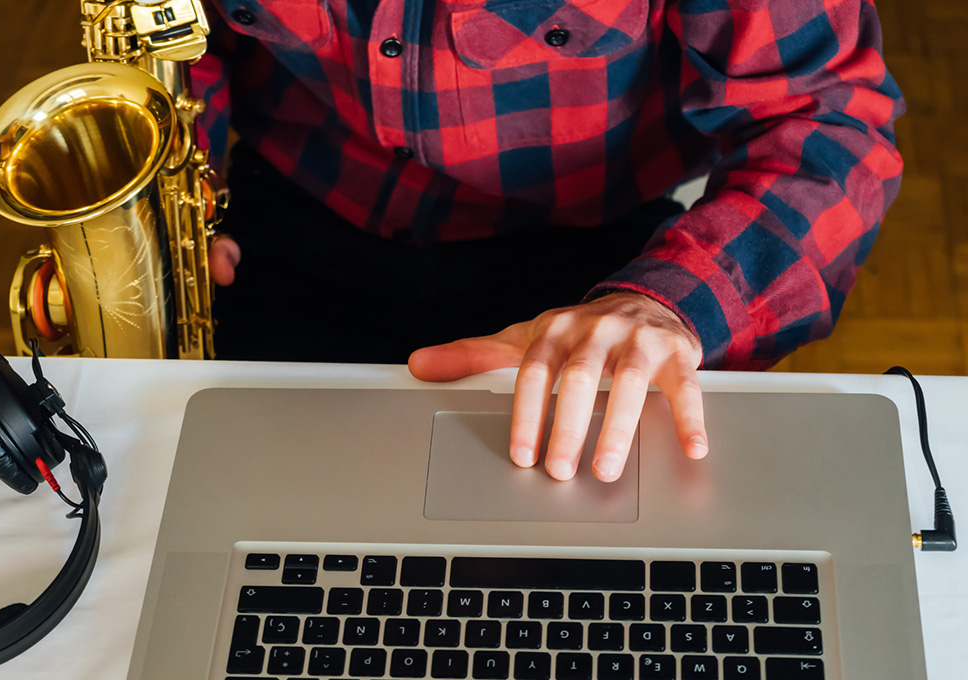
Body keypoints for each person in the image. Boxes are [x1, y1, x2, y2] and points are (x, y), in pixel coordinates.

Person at [193, 0, 904, 483]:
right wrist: (182, 164)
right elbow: (173, 32)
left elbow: (829, 125)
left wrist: (671, 303)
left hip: (588, 268)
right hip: (286, 212)